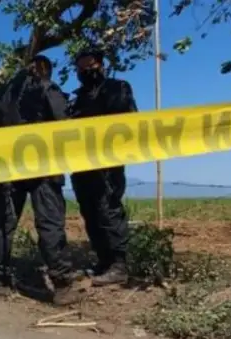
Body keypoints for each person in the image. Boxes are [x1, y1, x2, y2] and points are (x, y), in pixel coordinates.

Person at [0, 54, 82, 300]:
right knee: (49, 223)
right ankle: (62, 285)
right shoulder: (46, 87)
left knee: (4, 224)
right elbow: (63, 122)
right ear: (44, 69)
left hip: (7, 167)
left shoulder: (1, 94)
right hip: (42, 167)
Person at [69, 49, 138, 287]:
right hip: (81, 165)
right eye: (79, 68)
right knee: (90, 212)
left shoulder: (117, 88)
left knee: (108, 210)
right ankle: (103, 261)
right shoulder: (76, 98)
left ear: (99, 65)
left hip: (107, 164)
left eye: (88, 65)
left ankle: (119, 265)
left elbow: (127, 122)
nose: (84, 71)